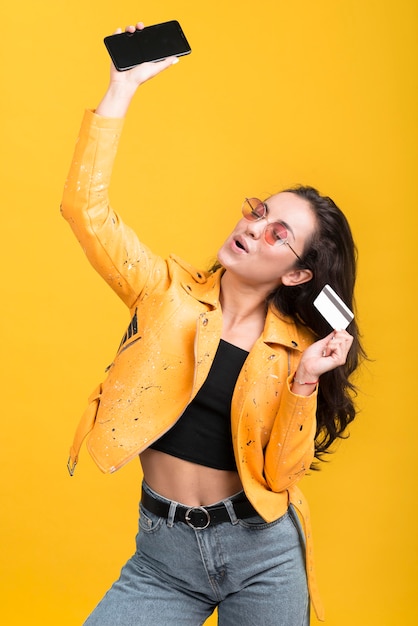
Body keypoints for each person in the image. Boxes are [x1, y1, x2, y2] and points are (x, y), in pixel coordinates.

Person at [61, 21, 364, 626]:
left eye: (278, 233)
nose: (253, 227)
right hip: (162, 557)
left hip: (263, 556)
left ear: (300, 275)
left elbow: (280, 474)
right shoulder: (163, 291)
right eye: (259, 212)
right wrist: (123, 87)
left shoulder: (297, 351)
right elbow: (84, 211)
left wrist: (305, 383)